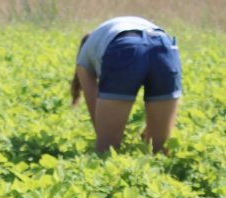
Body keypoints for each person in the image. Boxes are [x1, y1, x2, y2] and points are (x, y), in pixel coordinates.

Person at [71, 16, 182, 153]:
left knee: (107, 149)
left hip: (124, 48)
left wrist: (113, 134)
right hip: (165, 47)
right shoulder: (103, 35)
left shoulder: (84, 59)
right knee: (160, 150)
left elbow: (96, 114)